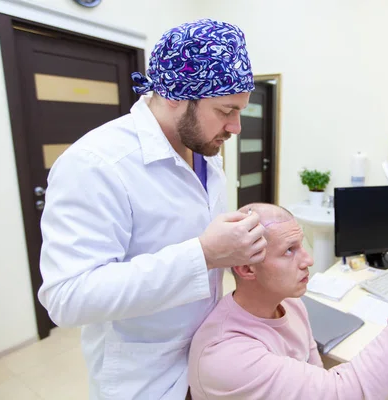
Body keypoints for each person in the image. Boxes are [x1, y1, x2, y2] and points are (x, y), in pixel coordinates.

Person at [37, 19, 267, 399]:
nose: (236, 127)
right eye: (226, 110)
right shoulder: (96, 164)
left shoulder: (206, 152)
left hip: (205, 358)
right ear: (175, 94)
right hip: (142, 379)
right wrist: (204, 254)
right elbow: (67, 297)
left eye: (240, 110)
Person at [188, 203, 388, 400]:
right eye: (289, 251)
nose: (308, 261)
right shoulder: (225, 355)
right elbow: (344, 393)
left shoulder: (292, 304)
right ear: (247, 269)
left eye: (301, 246)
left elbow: (314, 368)